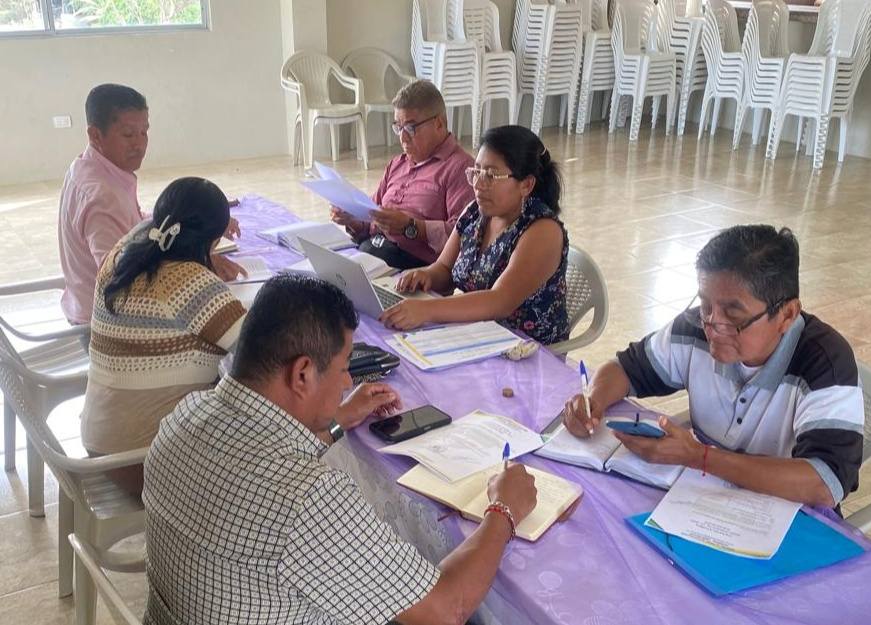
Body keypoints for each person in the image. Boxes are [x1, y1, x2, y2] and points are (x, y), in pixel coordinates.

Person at [142, 274, 538, 625]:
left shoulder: (184, 416)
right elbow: (447, 610)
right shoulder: (307, 497)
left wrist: (336, 421)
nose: (348, 382)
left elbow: (260, 456)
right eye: (344, 366)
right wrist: (503, 510)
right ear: (302, 374)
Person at [564, 225, 864, 508]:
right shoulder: (696, 326)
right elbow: (625, 368)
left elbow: (824, 484)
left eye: (734, 313)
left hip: (783, 514)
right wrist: (593, 402)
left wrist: (701, 457)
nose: (712, 325)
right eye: (706, 304)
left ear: (787, 314)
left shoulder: (825, 362)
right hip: (704, 500)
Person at [82, 177, 249, 494]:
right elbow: (262, 352)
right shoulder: (190, 282)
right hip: (145, 462)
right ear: (213, 241)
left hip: (99, 442)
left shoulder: (123, 253)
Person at [58, 83, 241, 325]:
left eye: (144, 132)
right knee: (226, 317)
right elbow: (118, 278)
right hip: (106, 323)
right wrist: (198, 263)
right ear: (95, 135)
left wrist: (201, 219)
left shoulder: (89, 167)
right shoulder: (102, 197)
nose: (139, 144)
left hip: (93, 305)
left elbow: (133, 225)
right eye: (128, 135)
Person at [380, 125, 569, 346]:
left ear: (526, 184)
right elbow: (444, 268)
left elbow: (500, 302)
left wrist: (427, 310)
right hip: (477, 334)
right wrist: (426, 276)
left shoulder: (542, 230)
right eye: (476, 172)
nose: (478, 184)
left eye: (491, 175)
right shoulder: (476, 212)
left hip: (525, 349)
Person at [330, 79, 475, 270]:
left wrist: (411, 227)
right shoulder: (397, 164)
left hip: (412, 267)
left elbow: (465, 237)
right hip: (372, 253)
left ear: (439, 124)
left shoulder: (460, 168)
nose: (402, 138)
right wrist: (352, 219)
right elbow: (371, 218)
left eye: (410, 128)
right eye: (398, 127)